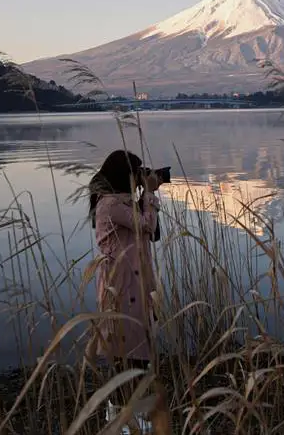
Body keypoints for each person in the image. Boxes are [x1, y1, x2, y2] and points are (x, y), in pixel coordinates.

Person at [88, 149, 163, 431]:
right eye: (137, 173)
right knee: (125, 350)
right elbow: (146, 223)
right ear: (125, 175)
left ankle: (132, 415)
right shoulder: (110, 205)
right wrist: (150, 194)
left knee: (137, 347)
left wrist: (146, 195)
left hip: (134, 283)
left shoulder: (122, 202)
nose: (140, 177)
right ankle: (120, 417)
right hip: (120, 286)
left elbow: (151, 233)